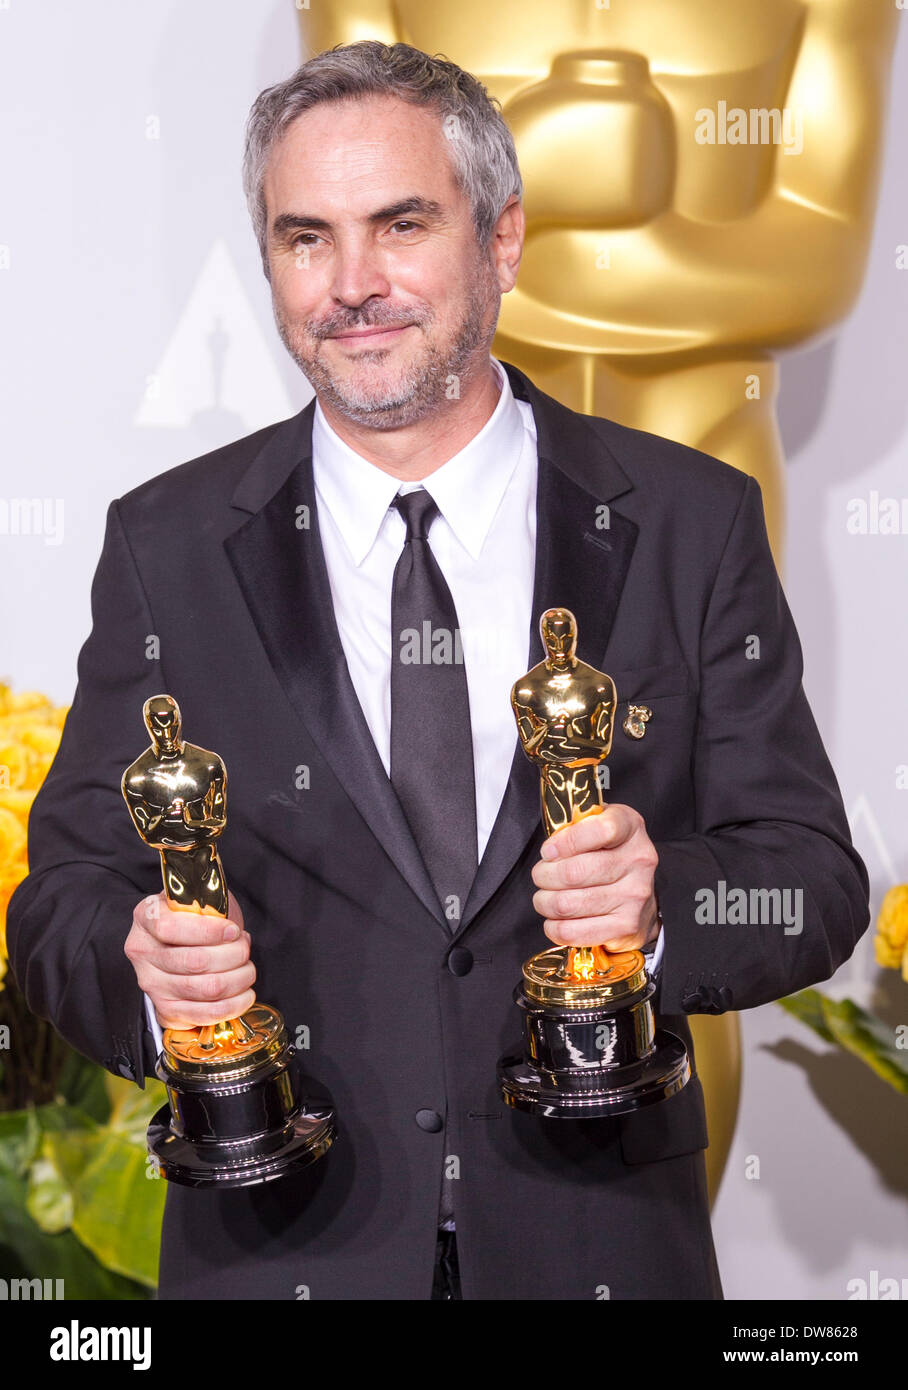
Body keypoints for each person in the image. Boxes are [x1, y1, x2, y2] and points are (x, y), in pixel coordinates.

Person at [7, 41, 869, 1301]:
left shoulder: (688, 520)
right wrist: (149, 981)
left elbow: (809, 881)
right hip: (280, 1254)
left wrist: (662, 903)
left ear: (502, 239)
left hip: (597, 1255)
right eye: (305, 238)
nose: (350, 284)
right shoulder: (167, 544)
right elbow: (61, 899)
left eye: (399, 224)